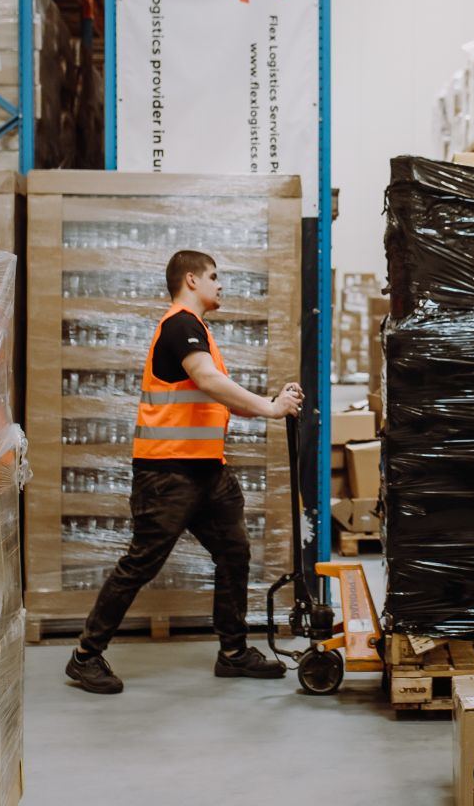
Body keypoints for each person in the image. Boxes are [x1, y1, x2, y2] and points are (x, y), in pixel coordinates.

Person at [66, 250, 305, 694]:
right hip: (167, 473)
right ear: (191, 280)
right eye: (214, 276)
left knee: (234, 553)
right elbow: (210, 382)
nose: (221, 284)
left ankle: (233, 653)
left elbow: (217, 394)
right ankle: (85, 656)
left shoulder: (198, 331)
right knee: (141, 564)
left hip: (207, 472)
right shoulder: (180, 325)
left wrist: (273, 402)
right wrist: (271, 409)